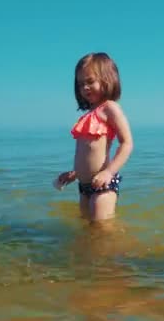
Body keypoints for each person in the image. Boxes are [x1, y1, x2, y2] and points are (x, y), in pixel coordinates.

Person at [54, 52, 133, 221]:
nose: (85, 88)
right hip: (84, 187)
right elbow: (88, 153)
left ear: (107, 80)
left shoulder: (110, 108)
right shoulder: (88, 115)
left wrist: (109, 173)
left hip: (103, 184)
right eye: (81, 84)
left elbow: (126, 143)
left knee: (102, 232)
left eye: (90, 82)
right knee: (88, 230)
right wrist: (75, 174)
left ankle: (123, 248)